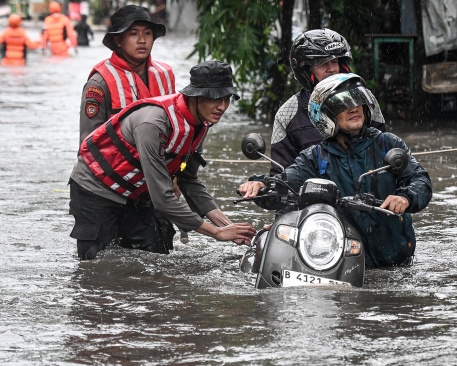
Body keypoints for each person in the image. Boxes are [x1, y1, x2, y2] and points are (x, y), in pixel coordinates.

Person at [69, 60, 257, 260]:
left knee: (155, 256)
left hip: (136, 194)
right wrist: (216, 233)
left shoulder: (200, 124)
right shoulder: (153, 123)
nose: (222, 106)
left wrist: (229, 228)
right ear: (194, 97)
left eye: (226, 98)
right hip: (96, 190)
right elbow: (162, 199)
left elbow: (189, 181)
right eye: (214, 98)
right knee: (100, 266)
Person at [239, 74, 432, 268]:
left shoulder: (388, 144)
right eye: (343, 104)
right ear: (325, 115)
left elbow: (420, 180)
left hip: (398, 265)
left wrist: (405, 197)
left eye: (358, 100)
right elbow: (285, 184)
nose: (354, 108)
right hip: (344, 262)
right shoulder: (314, 157)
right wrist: (261, 184)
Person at [269, 28, 386, 176]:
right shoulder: (288, 113)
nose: (332, 69)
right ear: (306, 70)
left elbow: (383, 149)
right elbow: (280, 175)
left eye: (335, 62)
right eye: (322, 63)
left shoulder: (364, 98)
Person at [78, 4, 174, 145]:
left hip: (158, 161)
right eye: (133, 34)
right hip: (117, 164)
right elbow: (89, 144)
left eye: (147, 33)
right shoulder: (100, 83)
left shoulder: (165, 74)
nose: (142, 40)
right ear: (118, 40)